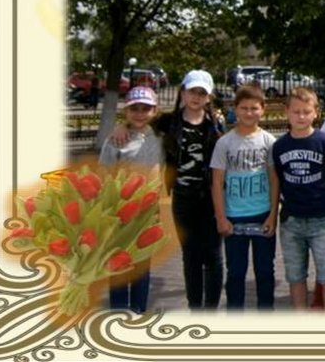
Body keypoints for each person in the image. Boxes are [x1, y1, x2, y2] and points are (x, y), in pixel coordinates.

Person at [109, 69, 224, 310]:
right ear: (182, 92)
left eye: (202, 93)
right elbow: (140, 119)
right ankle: (195, 307)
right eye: (192, 91)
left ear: (209, 97)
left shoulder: (215, 125)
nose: (196, 97)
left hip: (210, 198)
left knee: (213, 257)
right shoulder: (168, 123)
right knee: (190, 256)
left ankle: (211, 309)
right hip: (183, 198)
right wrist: (121, 125)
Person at [210, 83, 279, 310]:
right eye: (244, 108)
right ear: (235, 108)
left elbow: (274, 180)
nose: (249, 113)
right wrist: (221, 218)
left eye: (254, 108)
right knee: (236, 272)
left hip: (262, 214)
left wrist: (272, 215)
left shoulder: (269, 141)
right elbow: (217, 182)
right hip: (234, 216)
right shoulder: (224, 143)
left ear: (263, 109)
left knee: (265, 271)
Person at [272, 87, 325, 311]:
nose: (301, 116)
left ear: (316, 113)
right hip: (291, 221)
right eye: (296, 112)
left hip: (321, 219)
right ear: (287, 112)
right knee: (295, 276)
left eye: (306, 111)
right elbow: (279, 179)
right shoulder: (280, 146)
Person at [98, 86, 164, 313]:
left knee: (141, 265)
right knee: (119, 264)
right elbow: (104, 175)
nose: (140, 113)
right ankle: (118, 312)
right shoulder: (116, 140)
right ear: (125, 111)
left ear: (154, 111)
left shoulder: (160, 137)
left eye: (146, 108)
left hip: (148, 212)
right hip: (121, 211)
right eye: (134, 109)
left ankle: (138, 311)